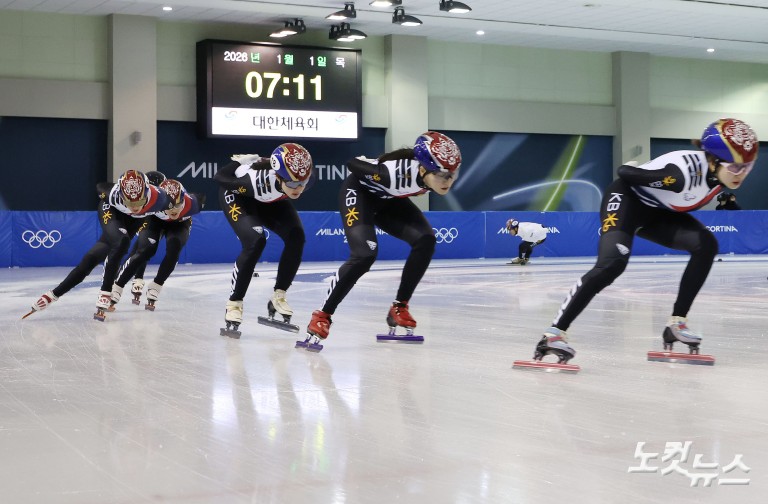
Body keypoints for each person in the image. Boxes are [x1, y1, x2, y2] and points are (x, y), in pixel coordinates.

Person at [529, 118, 758, 365]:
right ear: (713, 160)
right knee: (612, 265)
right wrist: (635, 167)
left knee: (706, 245)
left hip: (656, 212)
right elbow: (625, 174)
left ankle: (676, 324)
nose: (741, 175)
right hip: (626, 200)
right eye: (735, 168)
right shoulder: (679, 175)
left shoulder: (718, 176)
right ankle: (553, 334)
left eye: (747, 167)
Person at [300, 131, 462, 351]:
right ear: (423, 169)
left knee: (426, 239)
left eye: (453, 174)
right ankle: (322, 315)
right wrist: (372, 164)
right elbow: (352, 163)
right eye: (443, 175)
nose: (448, 181)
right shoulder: (391, 174)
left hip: (387, 200)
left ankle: (399, 307)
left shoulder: (426, 173)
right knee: (364, 255)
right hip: (359, 194)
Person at [24, 170, 171, 320]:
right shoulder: (111, 194)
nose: (134, 207)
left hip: (134, 222)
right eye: (129, 202)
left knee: (94, 258)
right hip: (112, 211)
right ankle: (105, 292)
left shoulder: (161, 199)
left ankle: (52, 295)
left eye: (138, 202)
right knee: (122, 242)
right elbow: (100, 186)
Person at [215, 143, 314, 337]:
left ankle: (279, 296)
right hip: (239, 196)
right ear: (278, 176)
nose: (299, 188)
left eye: (302, 183)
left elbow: (296, 181)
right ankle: (234, 302)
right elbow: (219, 178)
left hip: (271, 199)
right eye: (293, 183)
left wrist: (293, 183)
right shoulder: (252, 181)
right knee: (256, 242)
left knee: (297, 237)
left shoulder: (302, 175)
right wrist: (238, 164)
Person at [109, 178, 205, 311]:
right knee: (145, 251)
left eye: (178, 205)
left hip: (180, 224)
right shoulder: (155, 202)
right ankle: (117, 286)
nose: (173, 210)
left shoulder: (193, 205)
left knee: (174, 248)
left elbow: (201, 197)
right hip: (154, 220)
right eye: (170, 206)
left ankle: (156, 285)